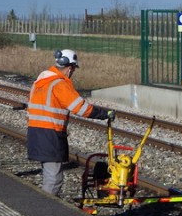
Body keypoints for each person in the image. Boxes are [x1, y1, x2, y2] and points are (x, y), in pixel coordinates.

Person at [27, 49, 116, 196]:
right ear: (69, 68)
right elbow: (81, 108)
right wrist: (104, 114)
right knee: (54, 179)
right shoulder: (59, 84)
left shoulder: (40, 82)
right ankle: (44, 213)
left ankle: (43, 209)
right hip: (50, 134)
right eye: (73, 69)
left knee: (49, 175)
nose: (73, 72)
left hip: (35, 133)